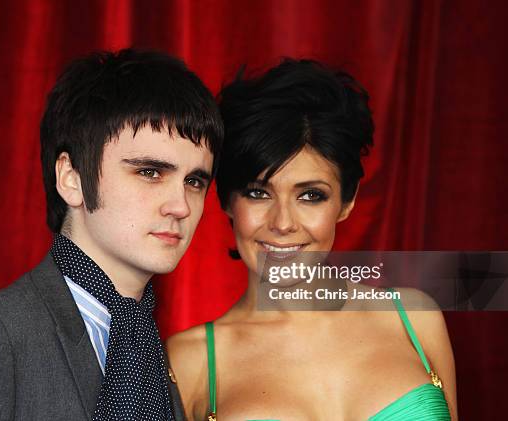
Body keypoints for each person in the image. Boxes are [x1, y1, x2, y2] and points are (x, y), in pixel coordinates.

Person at [0, 49, 222, 420]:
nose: (180, 205)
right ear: (71, 178)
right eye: (150, 172)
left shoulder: (153, 352)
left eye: (195, 181)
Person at [167, 59, 457, 420]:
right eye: (258, 193)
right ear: (227, 200)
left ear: (346, 202)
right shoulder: (188, 363)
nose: (283, 223)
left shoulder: (415, 318)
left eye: (310, 195)